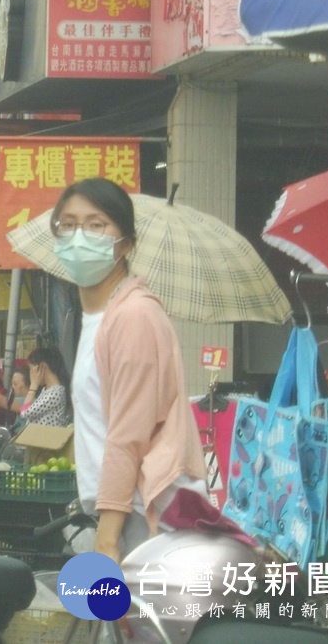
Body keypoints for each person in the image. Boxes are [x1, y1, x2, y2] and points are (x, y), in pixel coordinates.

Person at [50, 177, 207, 562]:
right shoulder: (91, 318)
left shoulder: (134, 315)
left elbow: (127, 435)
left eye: (96, 225)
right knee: (102, 621)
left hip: (141, 518)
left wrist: (107, 542)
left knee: (127, 621)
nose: (79, 236)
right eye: (67, 225)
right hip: (115, 514)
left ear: (127, 244)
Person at [18, 346, 73, 427]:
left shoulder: (56, 392)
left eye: (31, 369)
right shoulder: (47, 390)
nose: (30, 374)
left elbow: (25, 412)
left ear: (42, 367)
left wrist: (33, 386)